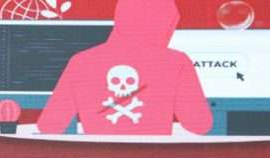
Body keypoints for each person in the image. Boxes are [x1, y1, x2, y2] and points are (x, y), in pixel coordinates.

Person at [37, 0, 212, 135]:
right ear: (165, 24)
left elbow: (49, 125)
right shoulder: (177, 62)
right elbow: (200, 125)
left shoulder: (80, 61)